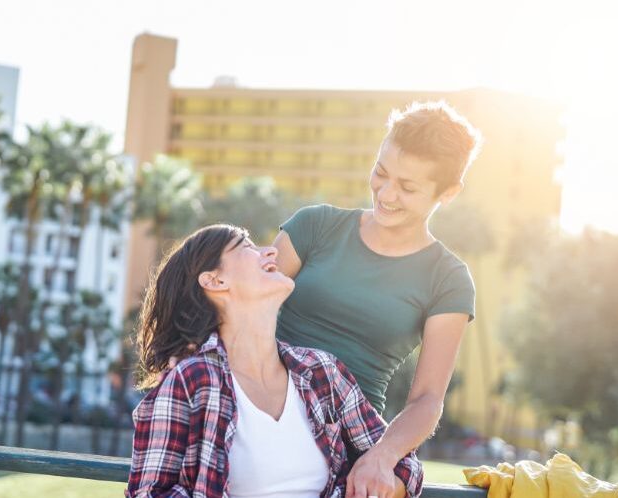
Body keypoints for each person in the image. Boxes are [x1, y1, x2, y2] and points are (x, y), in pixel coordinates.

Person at [273, 101, 481, 495]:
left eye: (407, 187)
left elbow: (426, 399)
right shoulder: (315, 226)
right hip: (266, 401)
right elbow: (244, 310)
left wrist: (382, 457)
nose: (386, 194)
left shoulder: (448, 279)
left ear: (448, 192)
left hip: (349, 428)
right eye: (381, 173)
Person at [126, 224, 423, 498]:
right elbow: (148, 493)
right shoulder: (190, 380)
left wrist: (375, 481)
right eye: (247, 246)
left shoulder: (322, 372)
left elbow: (403, 465)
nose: (270, 251)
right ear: (215, 280)